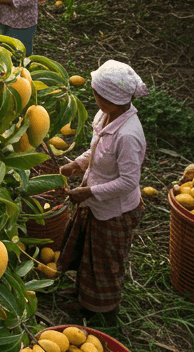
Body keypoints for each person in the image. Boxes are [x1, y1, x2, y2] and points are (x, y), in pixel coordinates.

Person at [56, 60, 148, 328]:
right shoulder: (104, 115)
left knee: (105, 263)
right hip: (95, 204)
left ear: (109, 97)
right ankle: (83, 296)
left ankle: (106, 312)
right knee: (87, 253)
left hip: (114, 211)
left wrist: (88, 192)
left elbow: (128, 182)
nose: (93, 96)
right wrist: (77, 165)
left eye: (96, 92)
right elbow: (96, 149)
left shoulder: (128, 135)